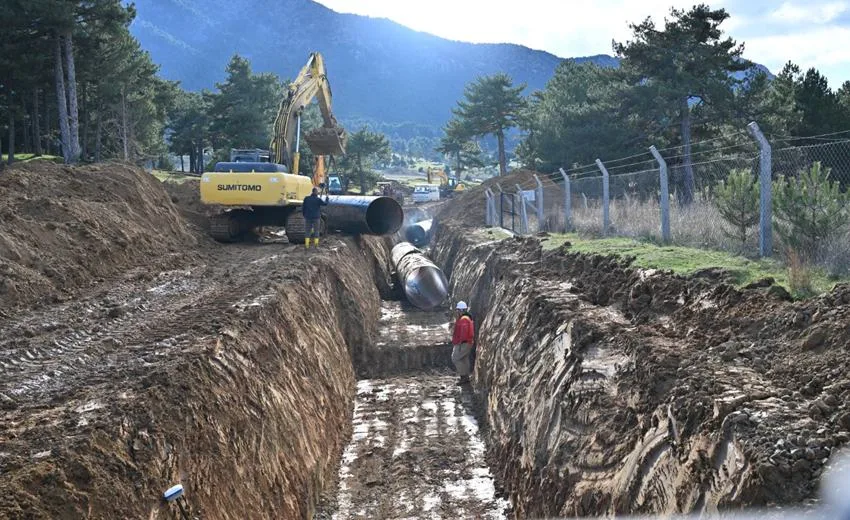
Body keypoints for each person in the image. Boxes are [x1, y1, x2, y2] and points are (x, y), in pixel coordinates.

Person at [451, 301, 475, 385]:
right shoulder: (467, 318)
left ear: (461, 310)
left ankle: (463, 376)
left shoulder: (464, 319)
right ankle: (466, 377)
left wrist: (460, 343)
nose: (457, 312)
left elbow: (463, 333)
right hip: (467, 342)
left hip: (463, 343)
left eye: (458, 310)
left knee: (455, 358)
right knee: (464, 359)